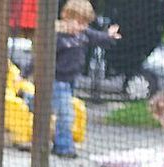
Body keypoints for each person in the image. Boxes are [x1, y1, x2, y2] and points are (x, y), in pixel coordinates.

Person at [52, 0, 121, 158]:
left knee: (62, 112)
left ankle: (58, 142)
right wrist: (28, 71)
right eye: (79, 22)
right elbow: (40, 56)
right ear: (66, 17)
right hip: (57, 81)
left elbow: (99, 37)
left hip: (70, 82)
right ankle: (64, 147)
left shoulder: (83, 34)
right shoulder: (58, 36)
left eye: (85, 24)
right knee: (66, 113)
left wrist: (110, 36)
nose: (82, 27)